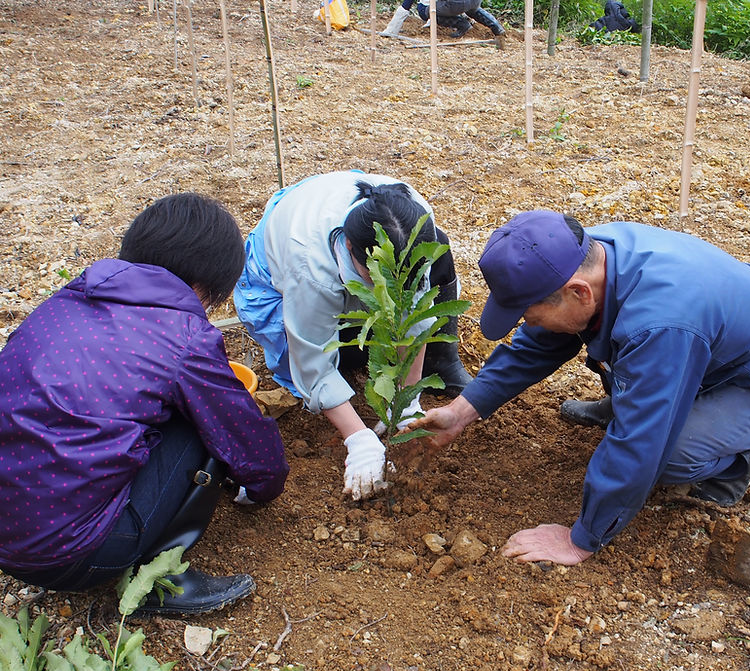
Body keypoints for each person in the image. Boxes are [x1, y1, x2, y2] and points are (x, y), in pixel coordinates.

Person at [411, 210, 750, 566]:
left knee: (667, 455)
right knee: (613, 351)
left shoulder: (660, 323)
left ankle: (733, 457)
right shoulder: (585, 256)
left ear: (578, 292)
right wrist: (462, 412)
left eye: (528, 316)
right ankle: (651, 396)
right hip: (706, 346)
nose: (527, 324)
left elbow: (640, 444)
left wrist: (581, 538)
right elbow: (537, 347)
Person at [0, 193, 289, 615]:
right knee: (205, 420)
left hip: (9, 540)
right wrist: (263, 487)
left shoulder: (62, 302)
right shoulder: (184, 336)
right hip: (71, 557)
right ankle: (161, 578)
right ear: (202, 286)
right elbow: (242, 434)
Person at [233, 171, 472, 502]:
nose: (385, 293)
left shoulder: (412, 225)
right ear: (348, 246)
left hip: (330, 224)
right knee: (301, 372)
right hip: (272, 273)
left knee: (373, 340)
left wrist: (407, 398)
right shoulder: (310, 269)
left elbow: (413, 321)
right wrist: (357, 438)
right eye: (374, 279)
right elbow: (313, 362)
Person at [382, 0, 505, 44]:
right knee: (471, 8)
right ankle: (496, 27)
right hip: (475, 1)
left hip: (455, 4)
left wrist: (391, 30)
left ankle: (461, 24)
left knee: (424, 10)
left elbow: (406, 5)